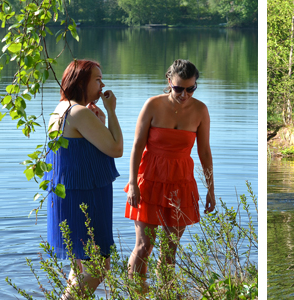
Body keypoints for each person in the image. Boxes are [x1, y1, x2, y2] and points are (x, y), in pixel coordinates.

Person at [125, 59, 216, 290]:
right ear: (169, 82)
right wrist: (133, 184)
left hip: (181, 183)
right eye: (178, 89)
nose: (184, 94)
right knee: (145, 245)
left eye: (190, 89)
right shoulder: (152, 105)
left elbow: (204, 152)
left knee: (170, 248)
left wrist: (210, 189)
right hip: (150, 180)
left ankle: (165, 293)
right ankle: (137, 292)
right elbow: (137, 146)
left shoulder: (200, 110)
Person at [44, 59, 123, 298]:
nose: (102, 85)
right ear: (82, 82)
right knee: (99, 266)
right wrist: (111, 112)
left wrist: (99, 123)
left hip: (71, 194)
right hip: (84, 197)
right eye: (97, 80)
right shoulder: (78, 112)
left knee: (81, 265)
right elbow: (116, 148)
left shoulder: (61, 109)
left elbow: (86, 150)